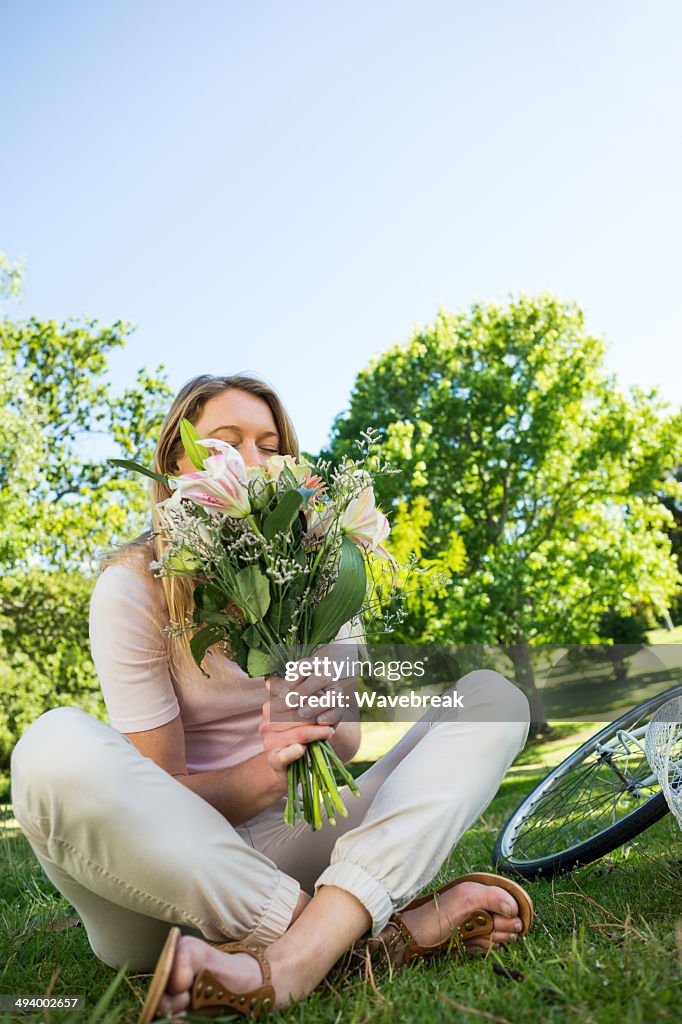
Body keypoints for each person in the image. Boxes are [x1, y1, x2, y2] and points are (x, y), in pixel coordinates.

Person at [10, 373, 533, 1021]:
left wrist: (313, 721)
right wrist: (267, 768)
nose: (252, 462)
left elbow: (344, 746)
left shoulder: (323, 566)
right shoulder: (134, 586)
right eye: (226, 442)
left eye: (269, 443)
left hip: (299, 846)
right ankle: (361, 937)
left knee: (493, 695)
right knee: (51, 745)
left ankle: (294, 961)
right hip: (165, 879)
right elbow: (157, 790)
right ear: (181, 463)